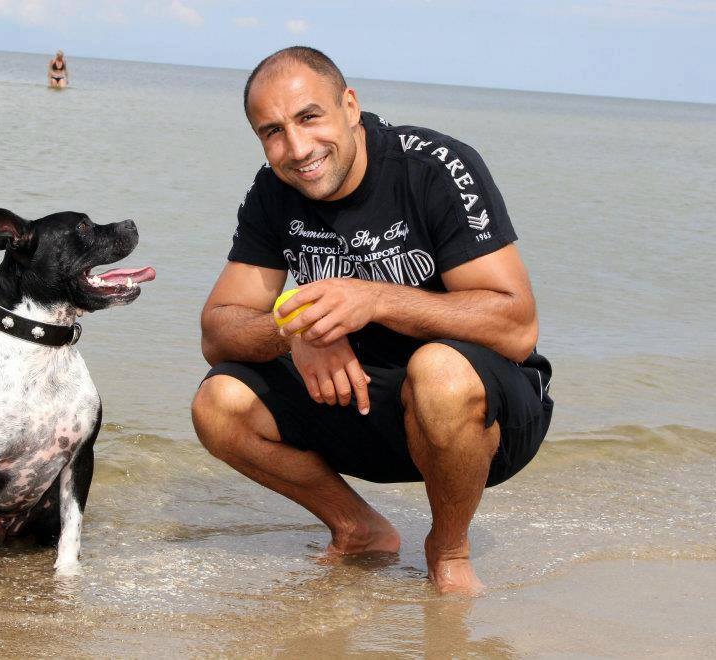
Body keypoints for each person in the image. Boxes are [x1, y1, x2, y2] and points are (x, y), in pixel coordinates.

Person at [191, 46, 553, 595]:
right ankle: (358, 528)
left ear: (350, 106)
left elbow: (517, 326)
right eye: (273, 132)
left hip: (484, 418)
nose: (298, 148)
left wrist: (375, 300)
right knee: (219, 404)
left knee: (440, 372)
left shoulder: (434, 167)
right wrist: (297, 330)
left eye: (309, 117)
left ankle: (448, 550)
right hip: (358, 400)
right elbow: (218, 331)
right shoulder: (273, 192)